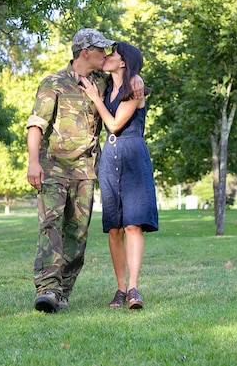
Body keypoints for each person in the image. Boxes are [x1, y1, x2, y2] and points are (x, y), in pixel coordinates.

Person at [26, 28, 116, 313]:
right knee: (50, 226)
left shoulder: (103, 82)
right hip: (53, 168)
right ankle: (48, 288)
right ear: (85, 51)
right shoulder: (53, 82)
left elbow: (127, 65)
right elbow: (36, 124)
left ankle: (63, 290)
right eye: (101, 49)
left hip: (86, 172)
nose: (106, 54)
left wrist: (135, 79)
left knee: (77, 233)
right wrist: (33, 162)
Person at [80, 42, 158, 310]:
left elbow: (113, 125)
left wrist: (95, 99)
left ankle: (134, 288)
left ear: (123, 62)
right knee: (114, 227)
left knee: (133, 225)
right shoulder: (104, 83)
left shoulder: (134, 85)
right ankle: (120, 289)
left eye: (112, 54)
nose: (107, 57)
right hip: (110, 159)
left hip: (133, 156)